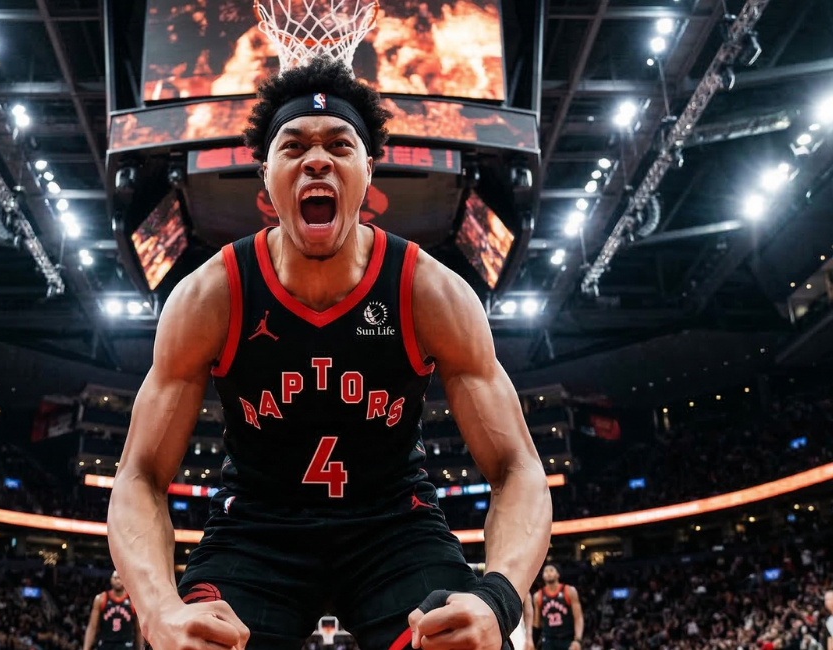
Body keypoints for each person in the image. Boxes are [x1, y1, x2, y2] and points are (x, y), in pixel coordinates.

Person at [108, 56, 552, 650]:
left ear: (369, 170)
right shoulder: (212, 294)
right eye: (293, 146)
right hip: (256, 528)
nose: (317, 158)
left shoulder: (428, 291)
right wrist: (158, 607)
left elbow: (518, 468)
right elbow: (138, 474)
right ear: (266, 176)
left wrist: (498, 600)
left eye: (340, 145)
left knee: (462, 643)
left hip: (395, 525)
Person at [83, 572, 142, 650]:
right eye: (115, 578)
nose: (118, 581)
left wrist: (141, 648)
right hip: (105, 644)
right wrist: (86, 648)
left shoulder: (133, 601)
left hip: (125, 645)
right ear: (111, 580)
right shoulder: (100, 599)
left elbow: (138, 629)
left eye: (120, 578)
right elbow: (92, 627)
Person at [531, 566, 582, 650]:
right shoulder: (537, 596)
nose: (548, 573)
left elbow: (578, 618)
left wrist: (578, 640)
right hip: (548, 640)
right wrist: (533, 642)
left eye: (551, 570)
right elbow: (537, 623)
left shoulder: (569, 591)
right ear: (543, 576)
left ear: (558, 574)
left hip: (567, 638)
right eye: (546, 571)